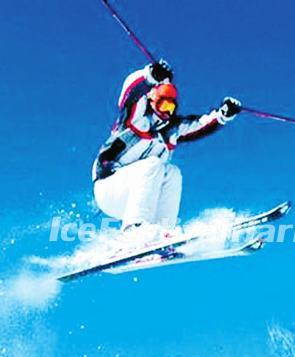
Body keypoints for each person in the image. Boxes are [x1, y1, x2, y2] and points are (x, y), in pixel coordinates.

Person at [92, 59, 241, 236]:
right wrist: (150, 76)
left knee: (172, 173)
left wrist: (222, 115)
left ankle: (163, 232)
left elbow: (199, 125)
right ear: (152, 101)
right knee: (153, 164)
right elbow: (130, 93)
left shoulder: (171, 131)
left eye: (171, 107)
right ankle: (134, 231)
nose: (167, 112)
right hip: (109, 187)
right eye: (163, 105)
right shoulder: (134, 120)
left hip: (135, 199)